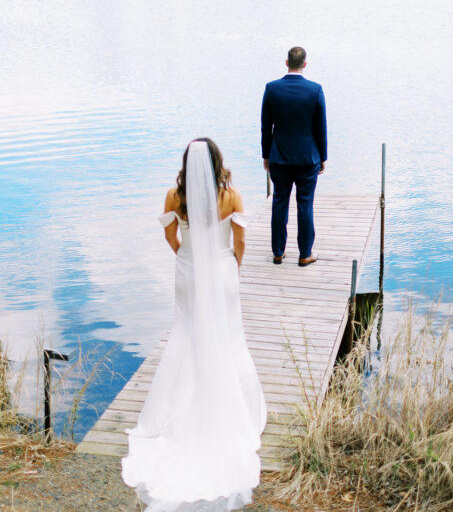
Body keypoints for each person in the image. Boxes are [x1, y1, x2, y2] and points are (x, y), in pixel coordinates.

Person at [122, 138, 267, 511]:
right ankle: (232, 406)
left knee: (185, 335)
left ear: (187, 164)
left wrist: (186, 257)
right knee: (229, 337)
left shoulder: (174, 195)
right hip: (221, 272)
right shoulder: (231, 196)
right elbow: (240, 240)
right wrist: (230, 264)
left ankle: (174, 408)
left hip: (188, 271)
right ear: (218, 162)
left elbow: (170, 237)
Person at [260, 46, 327, 267]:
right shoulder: (315, 90)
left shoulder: (271, 89)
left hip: (279, 157)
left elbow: (265, 127)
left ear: (286, 63)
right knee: (305, 205)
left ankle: (278, 253)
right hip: (308, 157)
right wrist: (323, 156)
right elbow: (321, 128)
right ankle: (304, 254)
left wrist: (266, 155)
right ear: (304, 64)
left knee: (279, 202)